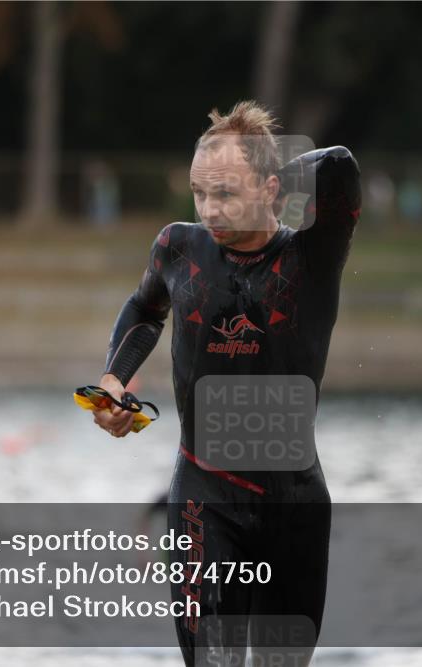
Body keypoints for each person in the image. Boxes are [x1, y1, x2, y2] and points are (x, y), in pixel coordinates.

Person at [92, 100, 361, 665]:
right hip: (203, 499)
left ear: (269, 188)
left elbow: (341, 169)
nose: (209, 210)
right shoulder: (178, 248)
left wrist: (270, 167)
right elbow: (145, 309)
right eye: (200, 193)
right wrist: (114, 382)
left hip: (295, 506)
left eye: (226, 193)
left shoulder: (311, 254)